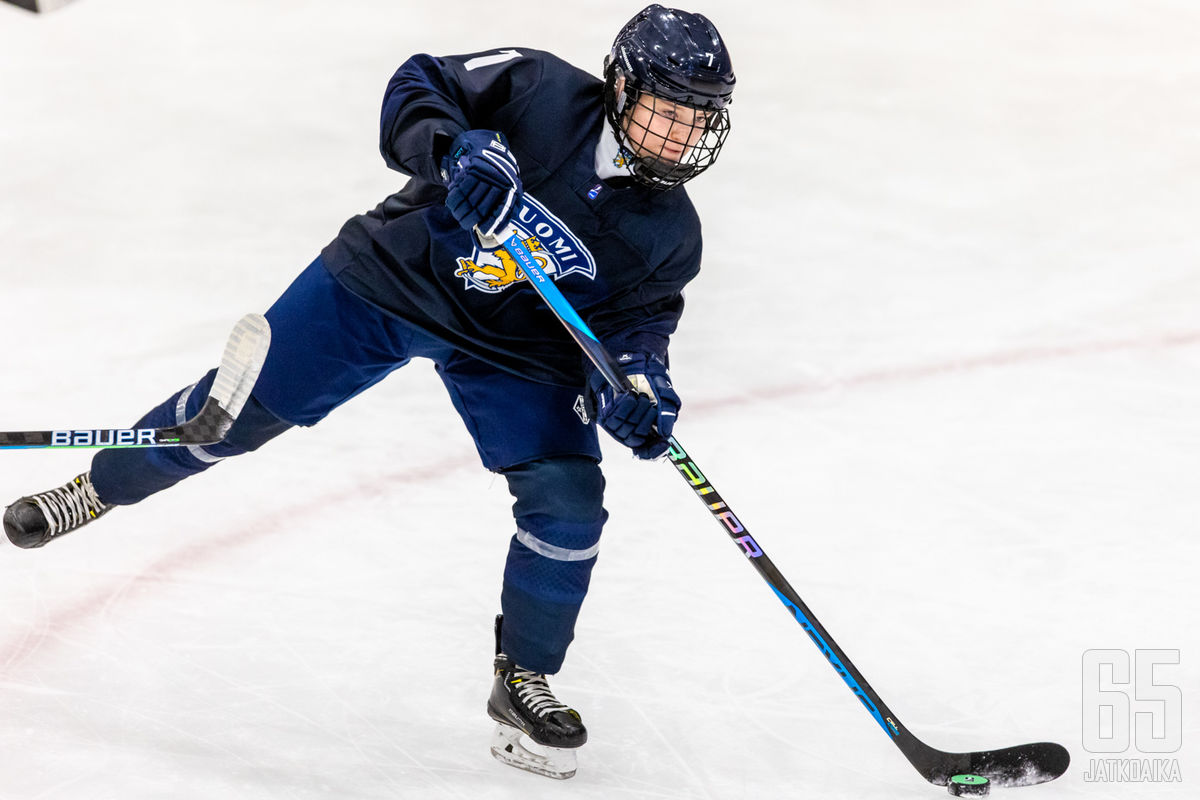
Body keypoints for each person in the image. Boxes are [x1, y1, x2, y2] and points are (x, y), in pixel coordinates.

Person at [3, 3, 734, 780]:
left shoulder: (670, 233)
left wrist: (639, 384)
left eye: (699, 120)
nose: (681, 136)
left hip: (517, 349)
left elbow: (638, 325)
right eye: (668, 111)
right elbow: (419, 83)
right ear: (620, 86)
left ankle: (524, 678)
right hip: (390, 281)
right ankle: (97, 486)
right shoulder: (538, 85)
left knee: (569, 501)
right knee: (226, 420)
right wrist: (454, 149)